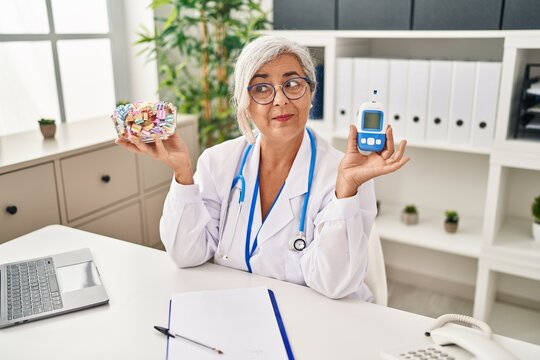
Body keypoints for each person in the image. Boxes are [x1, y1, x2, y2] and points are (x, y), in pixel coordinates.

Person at [115, 35, 409, 300]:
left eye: (293, 84)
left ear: (310, 94)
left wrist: (345, 190)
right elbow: (186, 255)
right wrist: (182, 174)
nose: (280, 99)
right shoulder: (218, 162)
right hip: (236, 310)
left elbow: (334, 285)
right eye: (261, 88)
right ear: (246, 104)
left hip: (320, 320)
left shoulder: (347, 172)